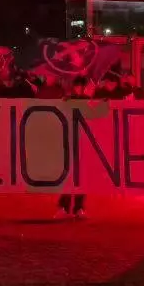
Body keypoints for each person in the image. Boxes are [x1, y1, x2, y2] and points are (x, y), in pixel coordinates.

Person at [56, 77, 91, 218]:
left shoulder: (88, 101)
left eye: (80, 86)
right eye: (76, 86)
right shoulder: (67, 100)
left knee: (81, 177)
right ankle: (63, 206)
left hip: (83, 142)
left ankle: (79, 207)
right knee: (67, 176)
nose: (78, 89)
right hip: (69, 141)